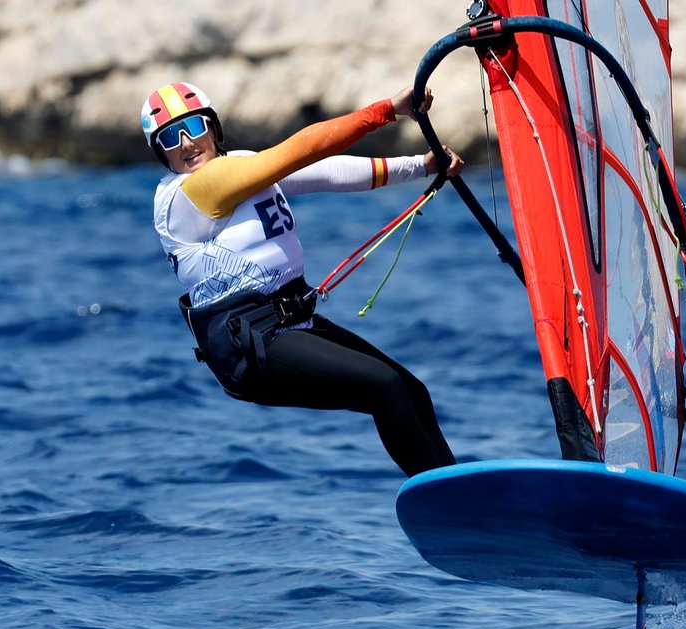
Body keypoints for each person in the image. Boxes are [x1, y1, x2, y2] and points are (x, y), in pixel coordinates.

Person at [141, 81, 461, 476]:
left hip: (289, 323)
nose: (188, 143)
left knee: (411, 391)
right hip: (249, 345)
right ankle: (447, 503)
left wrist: (421, 166)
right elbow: (304, 148)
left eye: (196, 127)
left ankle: (455, 491)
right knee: (386, 387)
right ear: (162, 153)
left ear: (214, 128)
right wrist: (387, 110)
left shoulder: (245, 169)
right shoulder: (188, 194)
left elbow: (326, 171)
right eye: (171, 137)